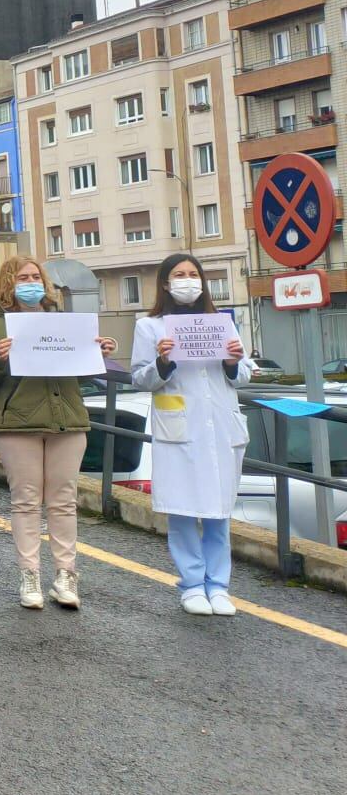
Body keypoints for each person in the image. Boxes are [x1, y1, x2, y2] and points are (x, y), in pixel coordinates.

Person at [0, 256, 116, 610]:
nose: (31, 282)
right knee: (26, 501)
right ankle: (30, 575)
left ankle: (66, 575)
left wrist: (97, 354)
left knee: (64, 501)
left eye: (36, 276)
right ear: (9, 283)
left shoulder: (62, 321)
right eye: (23, 277)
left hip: (66, 419)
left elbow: (78, 374)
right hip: (18, 424)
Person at [130, 254, 251, 617]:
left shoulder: (221, 323)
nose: (187, 280)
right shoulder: (150, 327)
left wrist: (233, 362)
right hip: (180, 427)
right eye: (179, 275)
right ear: (165, 283)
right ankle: (192, 584)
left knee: (218, 510)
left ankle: (219, 586)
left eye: (193, 274)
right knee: (183, 509)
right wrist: (163, 362)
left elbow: (243, 374)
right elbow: (139, 377)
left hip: (219, 426)